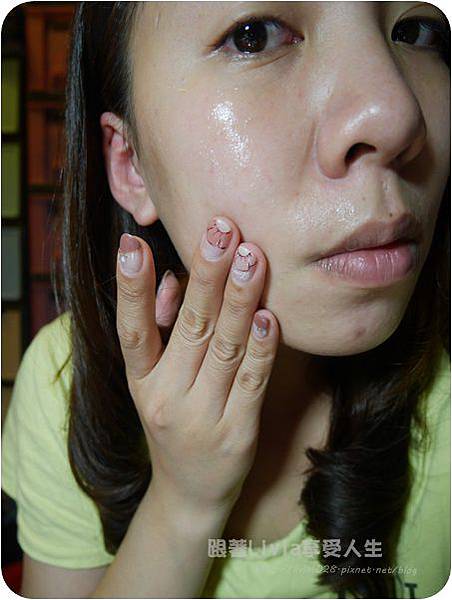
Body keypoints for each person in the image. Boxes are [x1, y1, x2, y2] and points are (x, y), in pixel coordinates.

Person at [2, 2, 450, 598]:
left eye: (416, 31)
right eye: (253, 37)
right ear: (132, 165)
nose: (396, 114)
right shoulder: (62, 383)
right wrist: (184, 501)